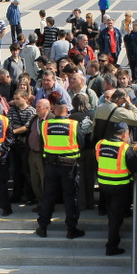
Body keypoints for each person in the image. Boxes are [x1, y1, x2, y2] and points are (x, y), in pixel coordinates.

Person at [35, 100, 85, 239]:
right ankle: (71, 229)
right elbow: (81, 142)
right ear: (66, 110)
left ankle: (43, 227)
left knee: (48, 196)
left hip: (50, 165)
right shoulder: (73, 125)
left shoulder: (45, 124)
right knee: (70, 197)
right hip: (69, 166)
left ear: (54, 110)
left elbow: (42, 143)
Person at [96, 122, 137, 256]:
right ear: (125, 134)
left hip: (103, 184)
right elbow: (135, 167)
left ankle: (111, 238)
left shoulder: (100, 144)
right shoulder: (125, 147)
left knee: (111, 213)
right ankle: (111, 246)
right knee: (116, 217)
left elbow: (99, 160)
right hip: (120, 186)